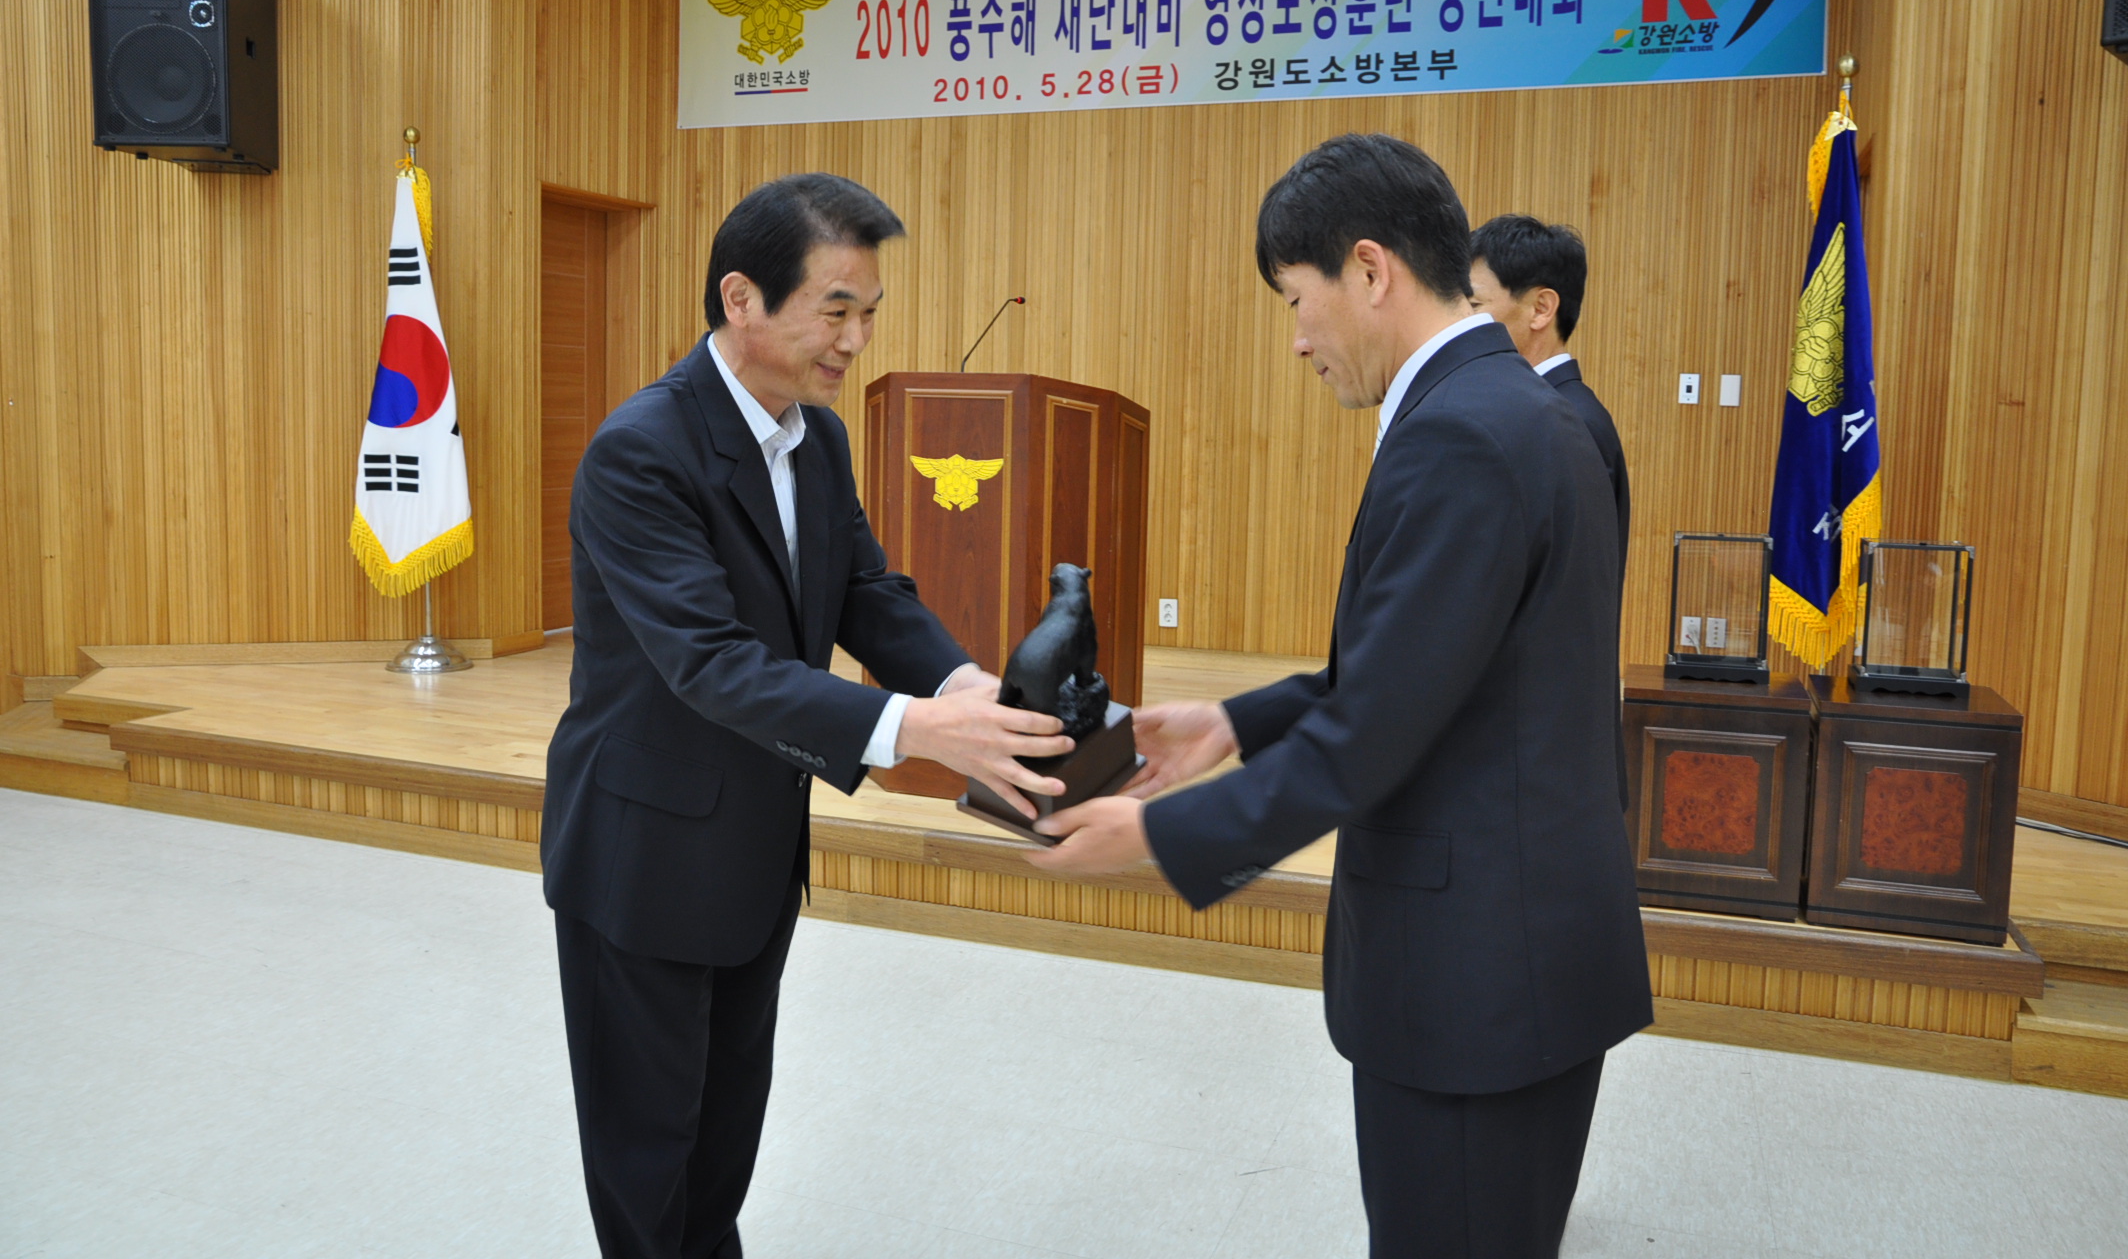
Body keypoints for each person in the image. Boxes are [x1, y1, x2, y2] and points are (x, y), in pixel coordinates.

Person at [1033, 135, 1653, 1258]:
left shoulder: (1461, 434)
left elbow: (1373, 729)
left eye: (1294, 299)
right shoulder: (1524, 410)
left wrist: (1158, 834)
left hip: (1475, 980)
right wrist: (1233, 720)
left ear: (1369, 270)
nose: (1297, 340)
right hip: (1526, 948)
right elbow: (1430, 662)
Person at [541, 173, 1073, 1259]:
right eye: (835, 310)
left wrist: (961, 684)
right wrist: (912, 729)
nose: (856, 340)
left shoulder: (816, 439)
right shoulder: (641, 449)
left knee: (722, 1143)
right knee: (648, 1157)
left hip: (751, 851)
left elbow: (865, 592)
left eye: (868, 312)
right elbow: (711, 663)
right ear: (740, 297)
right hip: (641, 858)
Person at [1467, 215, 1629, 577]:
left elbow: (1575, 580)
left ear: (1541, 309)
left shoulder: (1572, 421)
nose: (1460, 322)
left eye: (1474, 306)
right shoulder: (1540, 411)